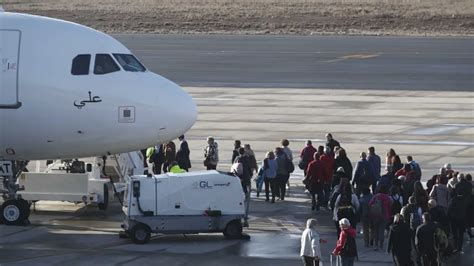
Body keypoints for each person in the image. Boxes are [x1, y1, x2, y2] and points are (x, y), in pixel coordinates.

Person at [368, 185, 392, 251]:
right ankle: (381, 245)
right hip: (385, 215)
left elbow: (370, 204)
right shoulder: (387, 198)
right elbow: (390, 207)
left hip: (376, 215)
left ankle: (376, 245)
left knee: (376, 230)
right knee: (382, 230)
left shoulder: (376, 196)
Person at [447, 189, 468, 253]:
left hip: (454, 220)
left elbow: (449, 211)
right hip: (462, 219)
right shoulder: (463, 200)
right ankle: (459, 247)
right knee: (461, 234)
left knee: (454, 234)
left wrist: (449, 218)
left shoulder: (452, 201)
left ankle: (455, 247)